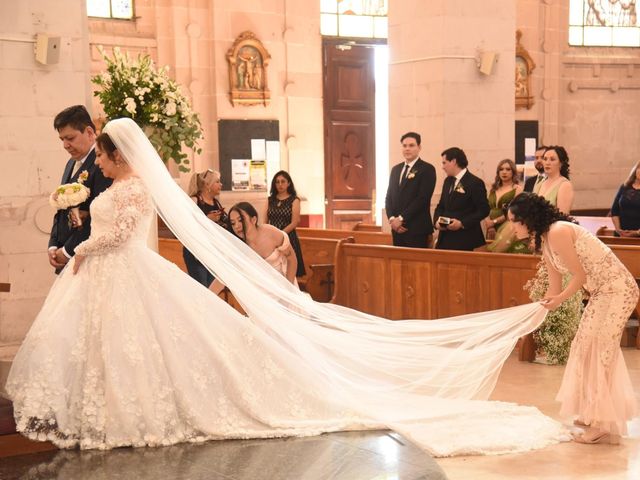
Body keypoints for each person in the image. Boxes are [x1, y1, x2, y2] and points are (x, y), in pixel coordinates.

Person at [6, 118, 566, 456]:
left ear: (114, 155)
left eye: (99, 154)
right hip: (110, 279)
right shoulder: (109, 187)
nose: (96, 162)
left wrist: (79, 247)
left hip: (121, 274)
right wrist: (79, 236)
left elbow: (120, 236)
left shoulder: (128, 191)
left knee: (157, 346)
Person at [508, 192, 639, 444]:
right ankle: (593, 413)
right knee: (583, 346)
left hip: (618, 289)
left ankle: (601, 422)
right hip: (601, 292)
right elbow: (554, 284)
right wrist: (543, 306)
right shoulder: (545, 241)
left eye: (514, 220)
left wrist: (559, 300)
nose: (511, 227)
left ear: (527, 219)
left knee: (599, 348)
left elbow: (578, 276)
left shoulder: (558, 231)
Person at [48, 105, 112, 273]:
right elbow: (61, 209)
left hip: (87, 258)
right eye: (62, 139)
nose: (65, 145)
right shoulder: (71, 163)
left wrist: (68, 251)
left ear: (90, 132)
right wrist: (53, 244)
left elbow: (100, 217)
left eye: (70, 138)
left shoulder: (102, 165)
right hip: (64, 254)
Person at [211, 201, 298, 291]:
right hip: (261, 292)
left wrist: (289, 289)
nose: (236, 226)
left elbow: (291, 258)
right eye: (233, 223)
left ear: (254, 219)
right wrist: (205, 297)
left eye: (241, 220)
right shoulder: (238, 247)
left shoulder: (271, 233)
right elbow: (224, 274)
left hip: (285, 284)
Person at [384, 132, 436, 248]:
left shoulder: (427, 169)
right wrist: (392, 220)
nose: (407, 149)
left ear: (419, 147)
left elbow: (422, 198)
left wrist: (401, 219)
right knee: (398, 264)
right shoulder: (396, 169)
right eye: (404, 146)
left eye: (411, 145)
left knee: (417, 265)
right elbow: (389, 197)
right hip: (397, 229)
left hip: (416, 229)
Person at [434, 147, 490, 251]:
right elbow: (441, 205)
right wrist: (436, 222)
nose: (443, 167)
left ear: (454, 161)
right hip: (445, 238)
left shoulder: (475, 183)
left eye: (444, 163)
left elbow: (484, 210)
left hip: (465, 239)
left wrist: (462, 223)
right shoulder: (448, 181)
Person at [182, 169, 227, 287]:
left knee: (211, 289)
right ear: (207, 185)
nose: (221, 184)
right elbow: (186, 225)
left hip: (212, 251)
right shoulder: (194, 201)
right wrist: (207, 219)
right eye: (217, 182)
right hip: (196, 252)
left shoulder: (216, 202)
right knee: (202, 288)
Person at [265, 171, 305, 277]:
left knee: (289, 271)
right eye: (277, 182)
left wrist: (280, 234)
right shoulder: (270, 200)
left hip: (288, 237)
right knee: (274, 271)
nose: (280, 185)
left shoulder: (294, 200)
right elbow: (265, 222)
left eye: (283, 181)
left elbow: (294, 222)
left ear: (289, 183)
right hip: (271, 239)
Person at [485, 159, 529, 253]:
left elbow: (515, 212)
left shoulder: (518, 189)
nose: (504, 172)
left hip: (508, 225)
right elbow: (487, 208)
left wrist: (494, 222)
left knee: (501, 252)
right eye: (501, 169)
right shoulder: (493, 188)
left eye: (508, 169)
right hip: (490, 227)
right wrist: (489, 224)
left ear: (513, 172)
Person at [534, 146, 574, 214]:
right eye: (545, 159)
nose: (547, 163)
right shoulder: (540, 183)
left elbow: (562, 216)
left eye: (552, 159)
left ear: (561, 163)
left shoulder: (565, 185)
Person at [610, 162, 640, 237]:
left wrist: (637, 233)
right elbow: (614, 210)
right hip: (621, 234)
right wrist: (618, 229)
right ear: (636, 169)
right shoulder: (624, 186)